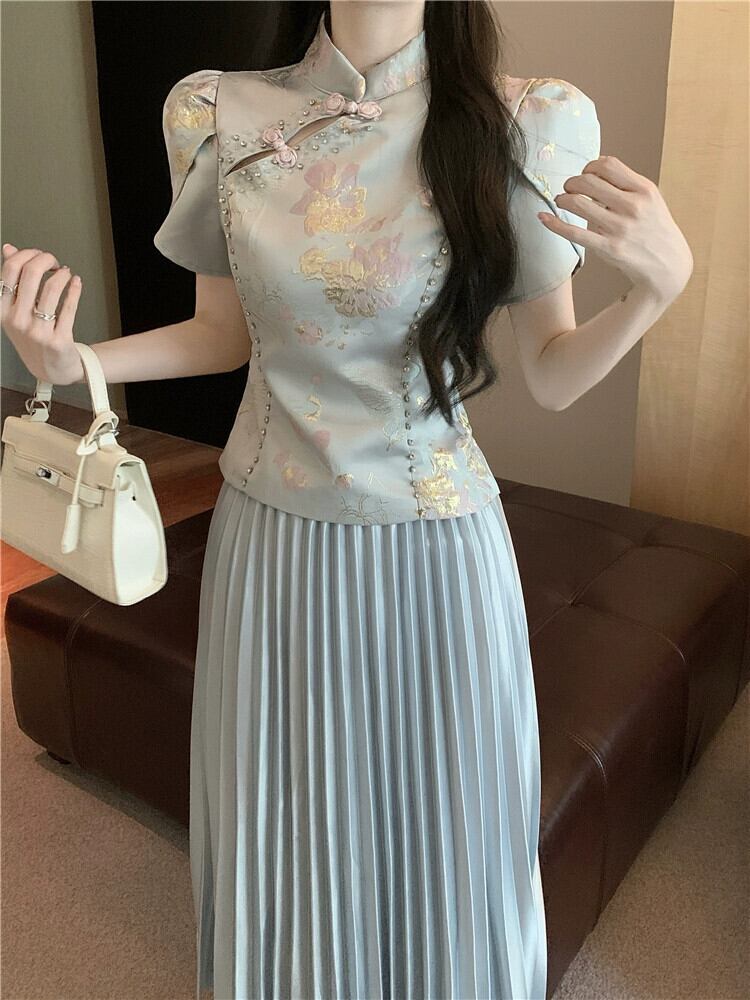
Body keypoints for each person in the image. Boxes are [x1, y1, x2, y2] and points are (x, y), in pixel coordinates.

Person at [0, 2, 693, 997]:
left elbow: (550, 370)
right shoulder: (217, 111)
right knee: (286, 832)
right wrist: (76, 364)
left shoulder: (526, 121)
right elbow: (221, 334)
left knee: (446, 844)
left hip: (438, 554)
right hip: (269, 545)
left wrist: (653, 293)